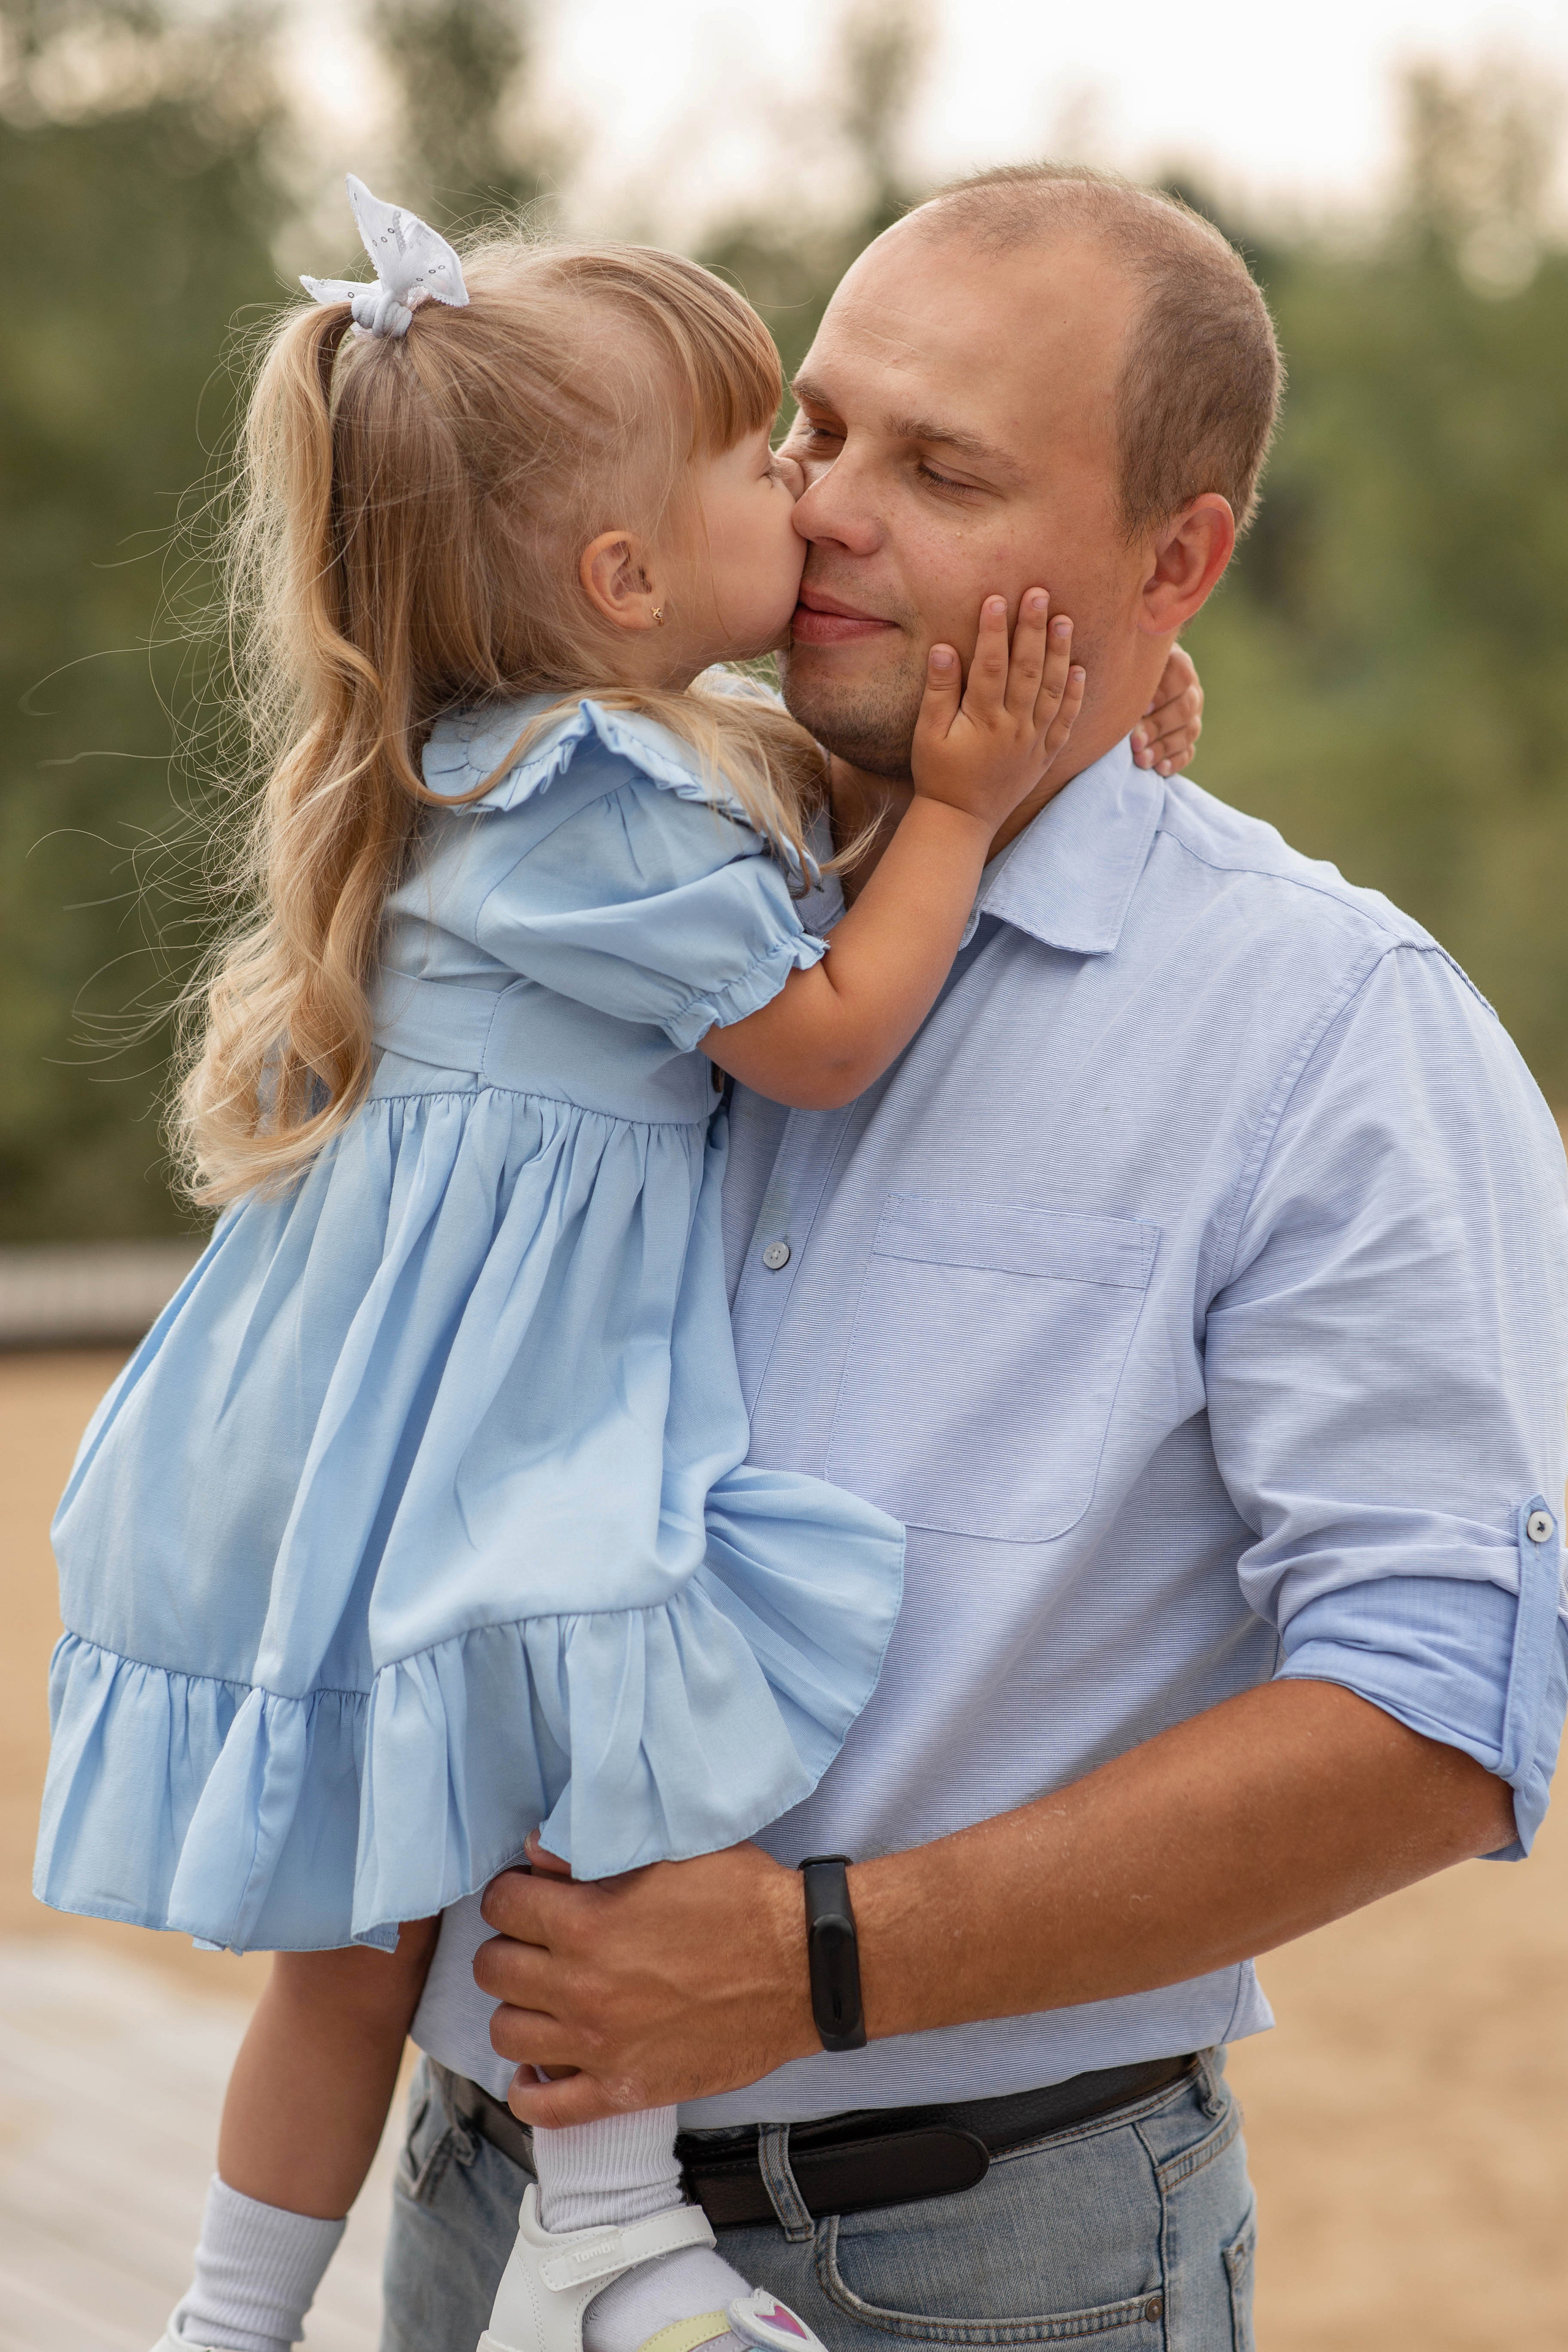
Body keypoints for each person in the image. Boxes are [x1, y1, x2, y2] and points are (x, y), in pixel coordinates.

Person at [387, 165, 1568, 2352]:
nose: (827, 507)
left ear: (1175, 565)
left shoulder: (1331, 1033)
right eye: (820, 428)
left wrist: (819, 1959)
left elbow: (1437, 1715)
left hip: (971, 2265)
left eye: (942, 473)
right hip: (469, 2208)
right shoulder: (605, 876)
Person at [30, 176, 1209, 2352]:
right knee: (582, 1799)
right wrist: (971, 808)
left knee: (414, 1912)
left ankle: (329, 2296)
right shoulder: (596, 801)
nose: (813, 498)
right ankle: (516, 2254)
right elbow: (828, 1028)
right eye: (769, 456)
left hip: (404, 1394)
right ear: (625, 577)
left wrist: (1054, 729)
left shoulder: (581, 758)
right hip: (493, 1403)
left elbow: (804, 840)